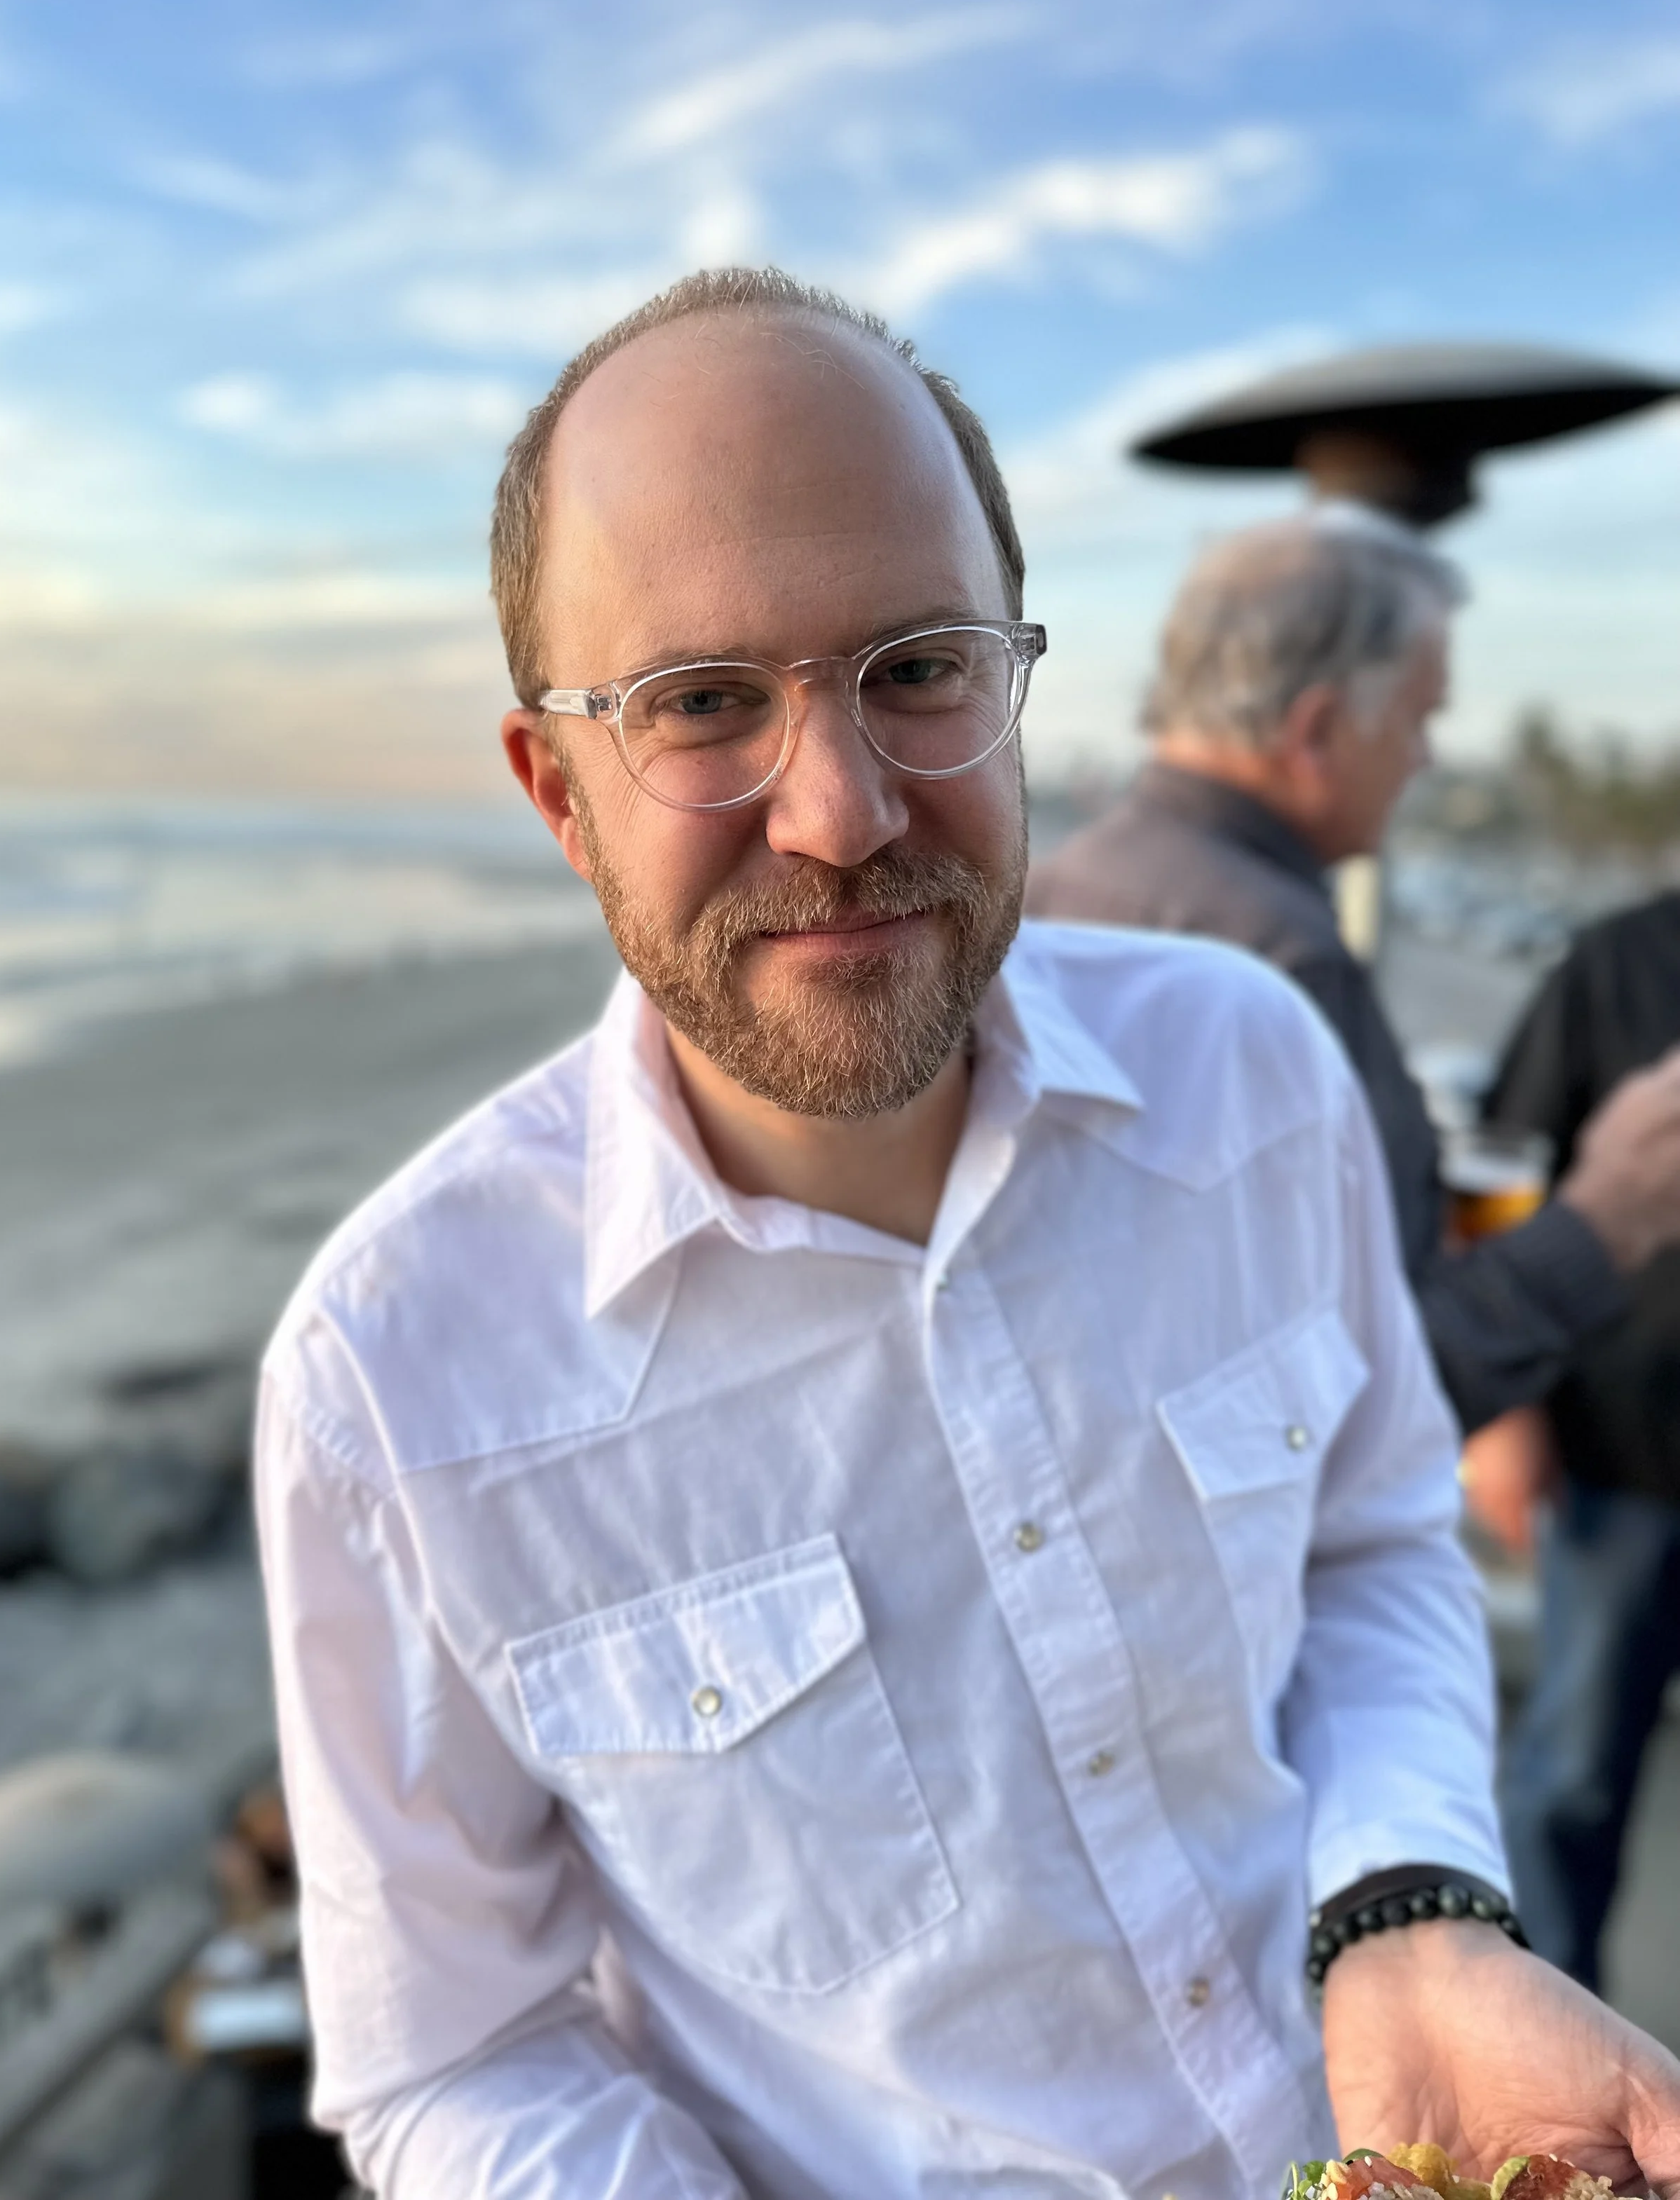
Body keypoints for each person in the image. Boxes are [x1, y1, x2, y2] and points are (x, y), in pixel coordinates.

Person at [255, 271, 1680, 2200]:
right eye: (699, 703)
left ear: (1014, 682)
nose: (839, 811)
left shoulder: (1251, 1075)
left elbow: (1368, 1539)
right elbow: (455, 2054)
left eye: (917, 665)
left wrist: (1409, 1904)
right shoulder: (396, 1375)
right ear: (557, 791)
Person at [1027, 513, 1680, 1438]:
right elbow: (1353, 1404)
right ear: (1319, 729)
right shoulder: (1277, 957)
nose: (1427, 759)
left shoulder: (1072, 881)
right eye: (1421, 717)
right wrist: (1606, 1219)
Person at [1458, 889, 1680, 1992]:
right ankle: (1548, 2083)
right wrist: (1505, 1414)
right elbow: (1500, 1174)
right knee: (1573, 1780)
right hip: (1629, 1464)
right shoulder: (1618, 959)